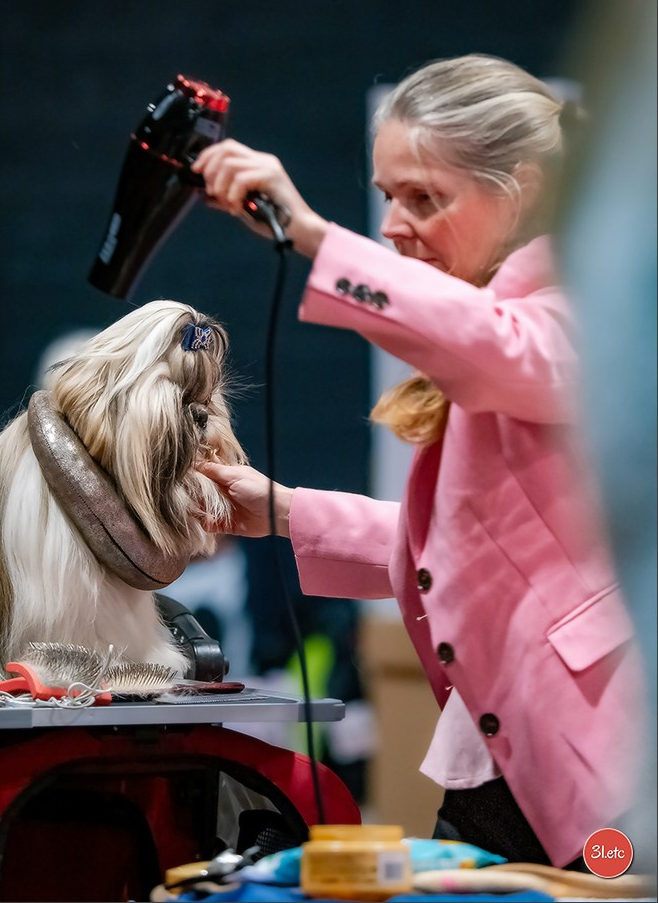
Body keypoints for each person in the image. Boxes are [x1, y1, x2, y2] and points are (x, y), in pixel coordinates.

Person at [191, 55, 644, 871]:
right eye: (388, 197)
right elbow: (453, 553)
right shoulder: (503, 332)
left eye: (425, 199)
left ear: (526, 192)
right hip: (498, 766)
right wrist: (281, 511)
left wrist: (313, 237)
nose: (394, 226)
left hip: (603, 780)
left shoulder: (584, 315)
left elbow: (497, 344)